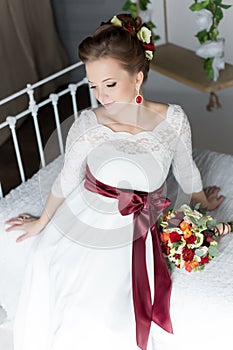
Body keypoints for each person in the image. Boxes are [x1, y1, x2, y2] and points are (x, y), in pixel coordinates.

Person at [6, 13, 224, 350]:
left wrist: (202, 204)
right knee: (63, 284)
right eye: (93, 85)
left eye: (110, 84)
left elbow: (186, 170)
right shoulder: (87, 124)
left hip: (136, 224)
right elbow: (67, 179)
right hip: (83, 218)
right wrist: (41, 222)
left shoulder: (173, 120)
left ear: (137, 78)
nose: (101, 95)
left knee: (110, 314)